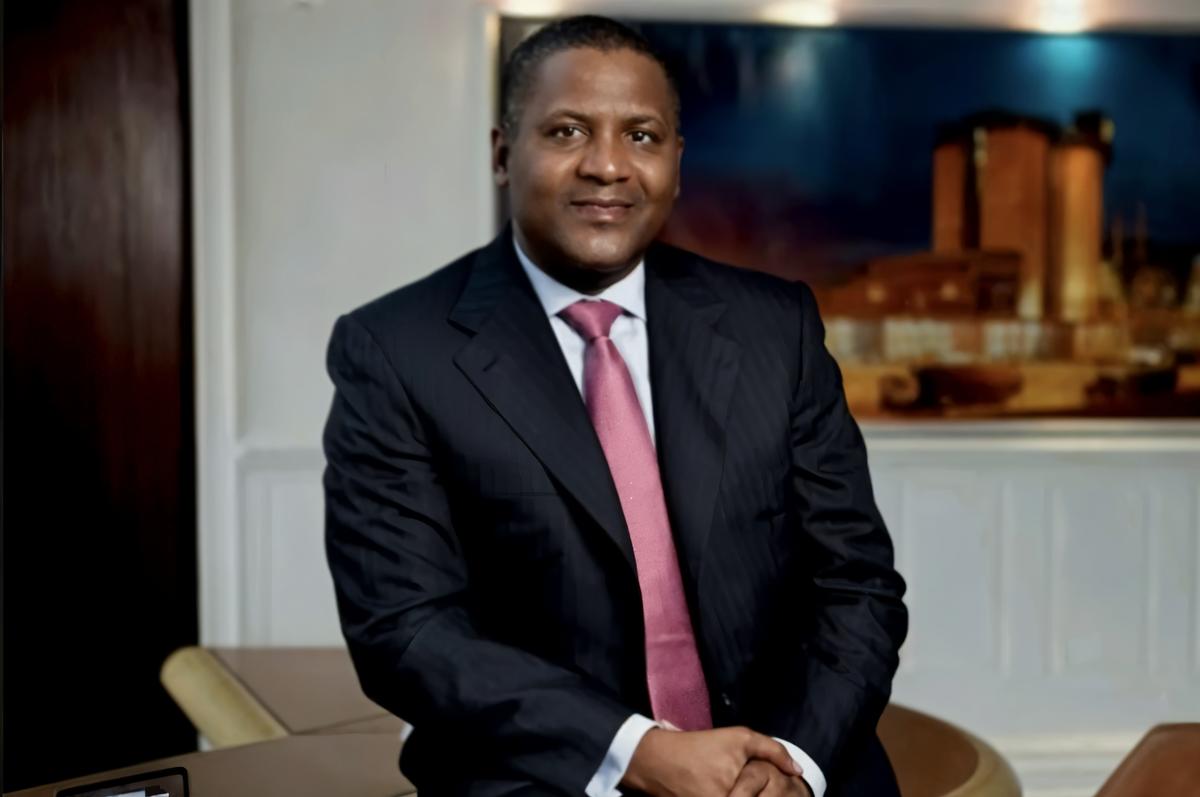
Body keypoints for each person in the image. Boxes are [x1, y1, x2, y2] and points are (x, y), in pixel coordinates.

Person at [324, 16, 907, 797]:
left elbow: (857, 583)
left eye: (641, 136)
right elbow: (405, 628)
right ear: (502, 153)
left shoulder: (777, 326)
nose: (607, 165)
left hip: (782, 769)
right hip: (544, 777)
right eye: (567, 131)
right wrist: (639, 752)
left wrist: (793, 764)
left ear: (675, 161)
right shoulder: (397, 351)